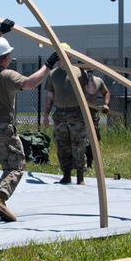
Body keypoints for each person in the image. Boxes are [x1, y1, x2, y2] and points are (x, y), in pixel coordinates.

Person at [0, 19, 53, 222]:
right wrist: (48, 65)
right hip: (0, 126)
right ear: (6, 57)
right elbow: (30, 83)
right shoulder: (7, 75)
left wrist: (0, 31)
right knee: (16, 165)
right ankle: (0, 198)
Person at [43, 45, 97, 185]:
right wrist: (46, 115)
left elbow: (91, 90)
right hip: (60, 114)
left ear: (69, 56)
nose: (60, 58)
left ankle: (80, 177)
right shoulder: (53, 74)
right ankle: (66, 175)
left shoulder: (79, 72)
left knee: (79, 145)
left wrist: (90, 73)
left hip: (77, 113)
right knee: (62, 146)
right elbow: (49, 96)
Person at [83, 68, 110, 170]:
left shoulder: (98, 81)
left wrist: (106, 104)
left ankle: (89, 163)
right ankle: (80, 164)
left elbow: (106, 92)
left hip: (92, 115)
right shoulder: (75, 80)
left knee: (92, 140)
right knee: (79, 139)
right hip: (77, 115)